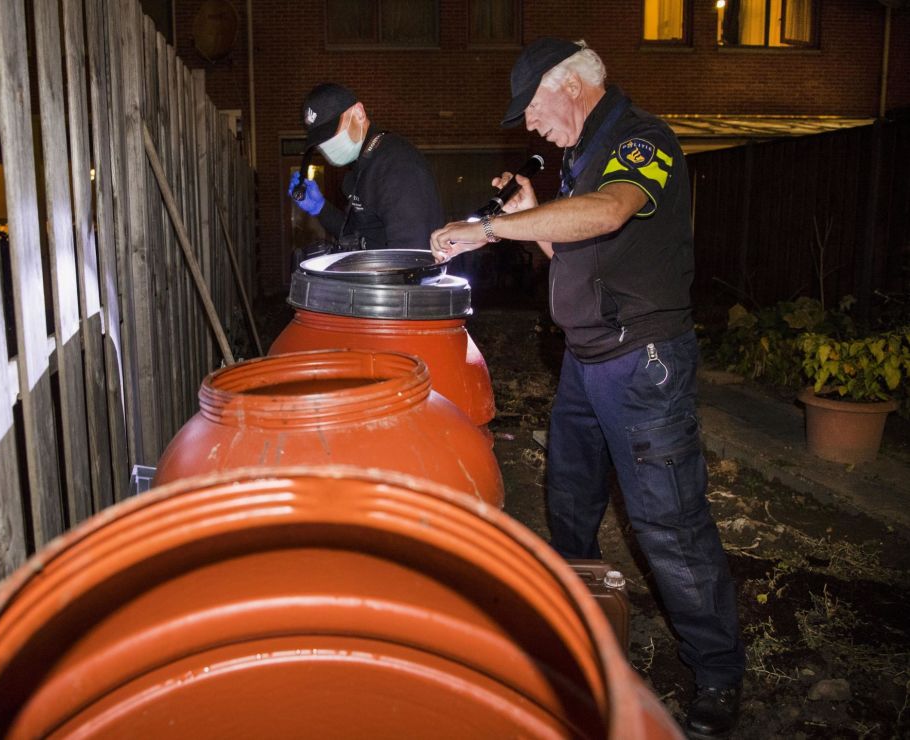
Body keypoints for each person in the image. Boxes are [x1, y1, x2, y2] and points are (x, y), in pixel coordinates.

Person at [430, 38, 745, 738]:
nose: (530, 125)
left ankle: (719, 674)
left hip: (644, 365)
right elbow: (569, 249)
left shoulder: (642, 140)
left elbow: (609, 213)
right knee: (570, 502)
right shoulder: (578, 159)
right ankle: (585, 632)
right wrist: (536, 211)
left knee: (667, 523)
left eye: (532, 108)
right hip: (584, 360)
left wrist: (488, 228)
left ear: (567, 85)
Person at [287, 83, 443, 254]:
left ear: (359, 113)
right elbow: (358, 236)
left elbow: (412, 257)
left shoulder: (396, 164)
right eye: (321, 140)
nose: (326, 145)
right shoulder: (365, 164)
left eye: (331, 133)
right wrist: (321, 208)